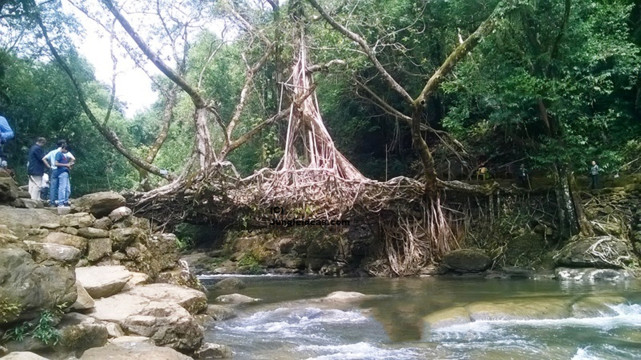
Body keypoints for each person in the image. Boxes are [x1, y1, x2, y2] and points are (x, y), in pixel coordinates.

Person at [43, 140, 75, 206]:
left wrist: (49, 167)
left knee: (53, 187)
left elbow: (44, 158)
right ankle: (63, 202)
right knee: (63, 187)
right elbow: (73, 158)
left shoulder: (52, 152)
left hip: (53, 170)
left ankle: (52, 202)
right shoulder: (64, 153)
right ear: (63, 145)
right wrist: (68, 164)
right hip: (62, 170)